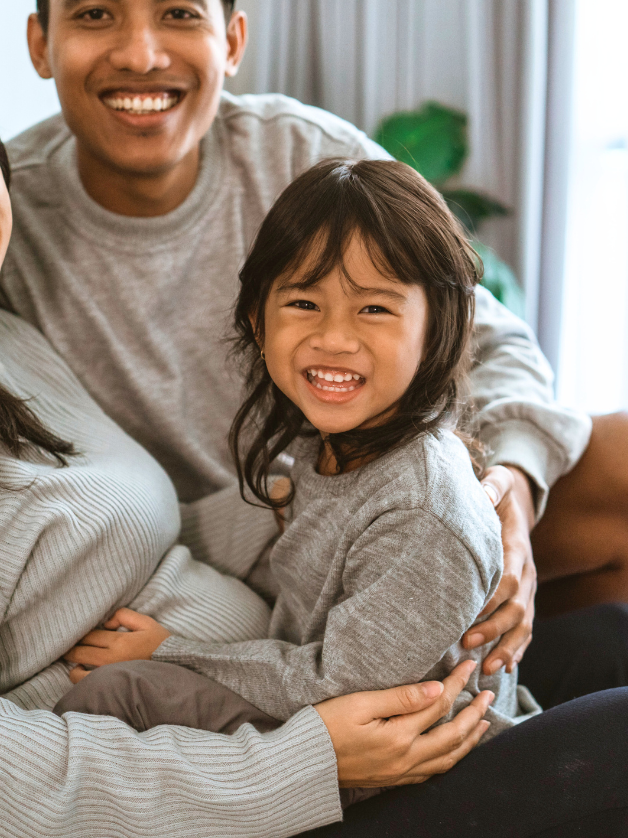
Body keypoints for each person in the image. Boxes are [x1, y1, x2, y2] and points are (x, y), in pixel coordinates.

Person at [0, 0, 628, 838]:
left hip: (289, 685)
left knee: (604, 642)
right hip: (261, 769)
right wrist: (302, 763)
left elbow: (177, 523)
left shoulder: (0, 343)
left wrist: (373, 485)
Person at [0, 0, 628, 705]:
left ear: (230, 40)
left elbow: (487, 336)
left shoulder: (303, 156)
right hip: (209, 561)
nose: (141, 53)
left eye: (178, 12)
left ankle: (534, 686)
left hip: (373, 507)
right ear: (42, 42)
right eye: (95, 13)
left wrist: (510, 487)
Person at [55, 159, 541, 809]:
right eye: (303, 303)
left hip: (418, 787)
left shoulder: (425, 510)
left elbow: (340, 691)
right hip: (332, 716)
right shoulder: (328, 448)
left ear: (436, 326)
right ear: (258, 320)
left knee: (113, 694)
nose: (333, 337)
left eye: (374, 307)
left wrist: (174, 651)